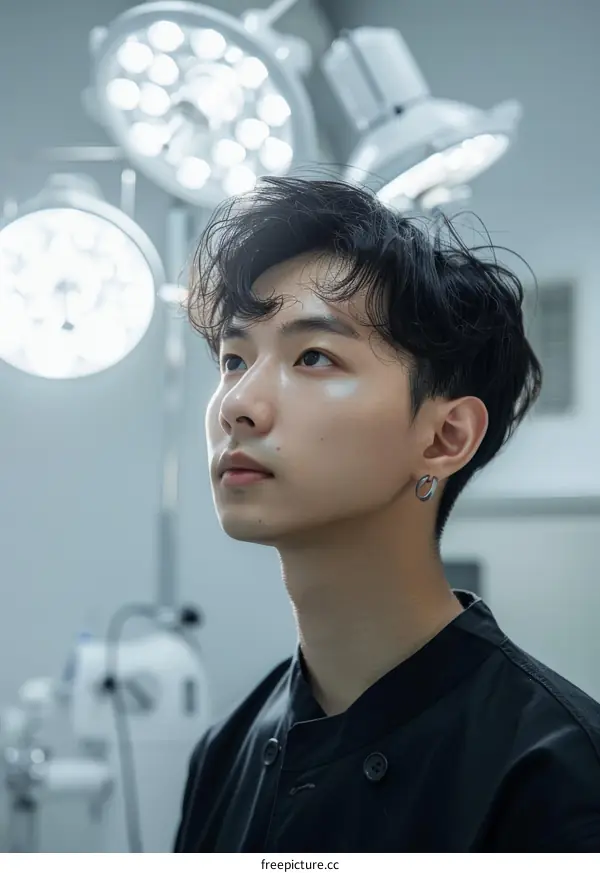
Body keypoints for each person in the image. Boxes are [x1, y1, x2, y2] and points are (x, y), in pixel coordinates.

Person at [173, 177, 600, 852]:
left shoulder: (558, 772)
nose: (238, 405)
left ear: (444, 438)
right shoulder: (225, 753)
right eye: (233, 358)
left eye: (313, 356)